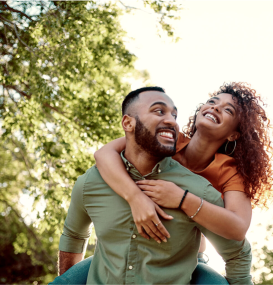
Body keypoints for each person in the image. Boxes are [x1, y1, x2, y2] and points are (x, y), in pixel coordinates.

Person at [50, 87, 253, 285]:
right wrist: (135, 197)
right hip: (114, 259)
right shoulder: (166, 139)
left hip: (184, 258)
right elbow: (104, 154)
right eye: (212, 102)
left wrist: (182, 199)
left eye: (228, 110)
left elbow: (237, 231)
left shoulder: (228, 172)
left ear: (234, 134)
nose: (216, 108)